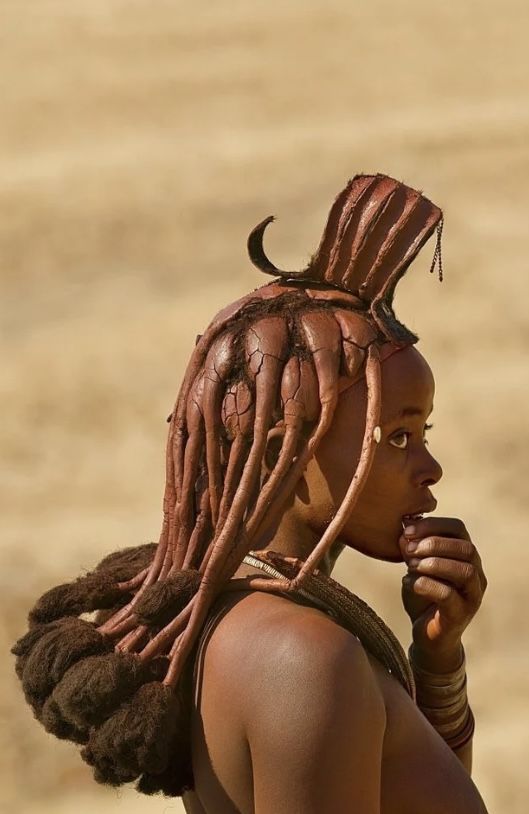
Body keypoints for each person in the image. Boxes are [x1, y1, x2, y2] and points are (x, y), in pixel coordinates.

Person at [12, 173, 488, 813]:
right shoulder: (304, 659)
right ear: (283, 454)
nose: (430, 467)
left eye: (423, 433)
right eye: (396, 436)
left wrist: (437, 663)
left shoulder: (254, 626)